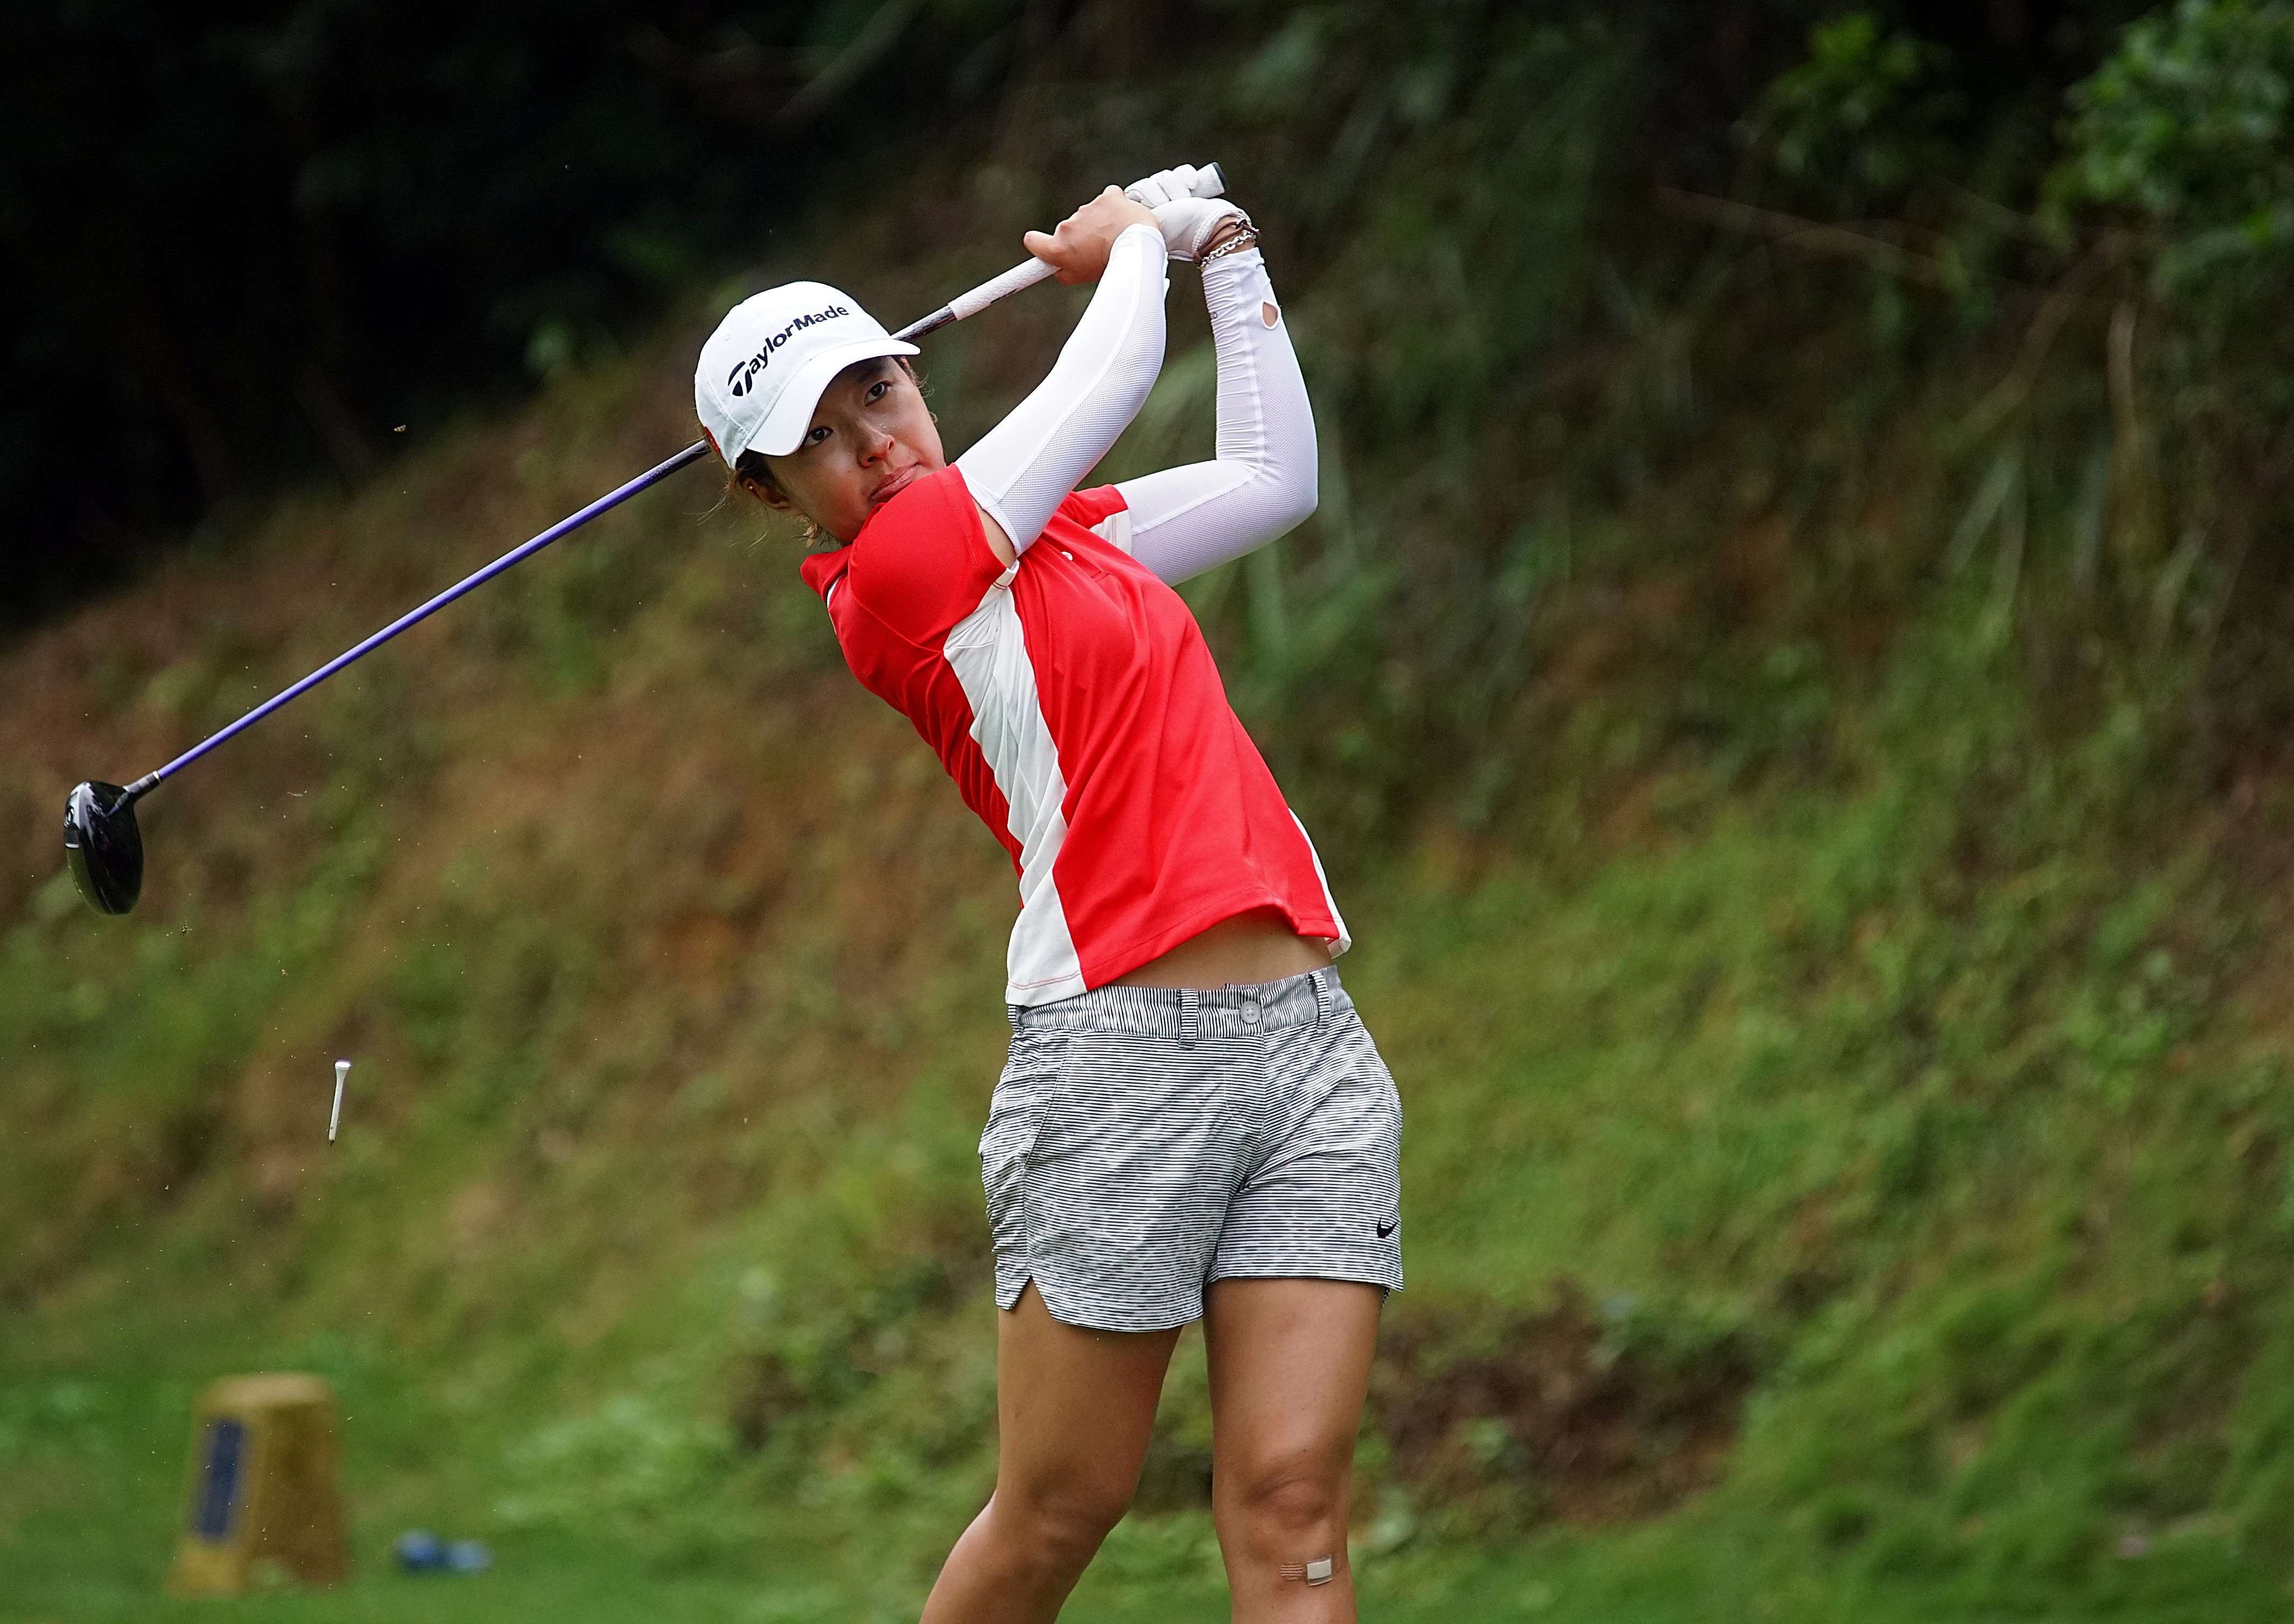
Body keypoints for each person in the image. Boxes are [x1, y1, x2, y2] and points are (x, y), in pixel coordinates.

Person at [694, 168, 1404, 1623]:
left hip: (1309, 1047)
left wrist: (1222, 245)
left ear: (911, 369)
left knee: (1296, 1504)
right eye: (814, 445)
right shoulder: (898, 578)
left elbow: (1276, 479)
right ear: (775, 497)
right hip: (1117, 1057)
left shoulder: (1067, 537)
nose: (868, 447)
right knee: (1061, 1508)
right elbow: (1113, 373)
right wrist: (1133, 243)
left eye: (874, 394)